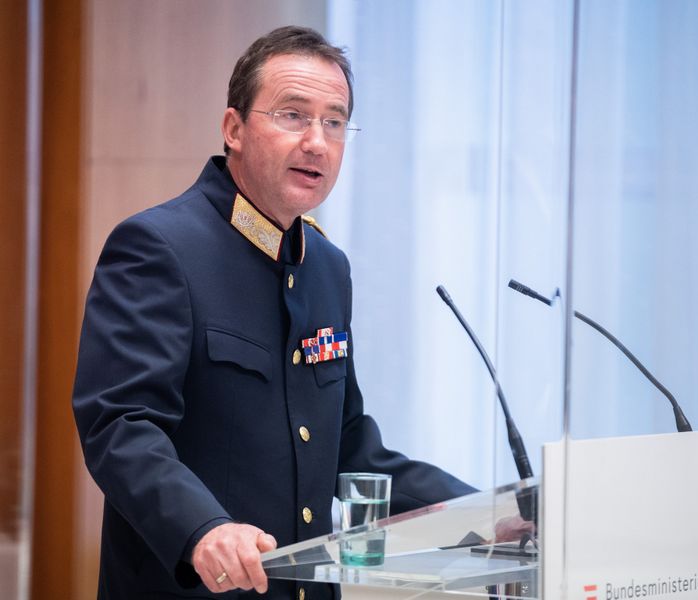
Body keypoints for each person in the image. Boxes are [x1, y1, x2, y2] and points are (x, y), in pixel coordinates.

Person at [72, 26, 475, 600]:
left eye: (334, 122)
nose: (317, 141)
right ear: (233, 128)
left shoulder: (326, 266)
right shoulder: (160, 247)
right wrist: (204, 529)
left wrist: (480, 512)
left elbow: (348, 447)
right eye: (293, 115)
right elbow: (120, 425)